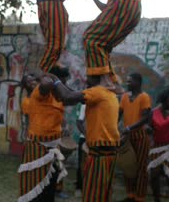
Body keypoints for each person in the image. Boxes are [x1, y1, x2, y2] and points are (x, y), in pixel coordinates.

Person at [45, 74, 120, 202]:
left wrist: (56, 81)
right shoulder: (108, 93)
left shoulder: (98, 91)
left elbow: (68, 96)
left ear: (95, 77)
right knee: (101, 193)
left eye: (89, 75)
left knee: (94, 194)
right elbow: (70, 98)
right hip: (105, 152)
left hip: (100, 154)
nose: (86, 78)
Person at [82, 0, 142, 92]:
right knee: (103, 45)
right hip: (131, 9)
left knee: (90, 38)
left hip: (124, 2)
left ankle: (105, 81)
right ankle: (114, 83)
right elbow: (106, 9)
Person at [18, 72, 67, 202]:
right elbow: (30, 120)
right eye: (28, 82)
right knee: (37, 182)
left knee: (53, 176)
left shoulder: (51, 96)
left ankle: (57, 191)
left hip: (53, 144)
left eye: (33, 79)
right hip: (38, 144)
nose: (32, 82)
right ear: (25, 87)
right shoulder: (30, 99)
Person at [119, 73, 152, 202]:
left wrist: (129, 128)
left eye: (129, 81)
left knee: (141, 167)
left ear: (138, 82)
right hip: (127, 137)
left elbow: (145, 117)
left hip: (140, 136)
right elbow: (119, 114)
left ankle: (140, 197)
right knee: (128, 165)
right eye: (127, 81)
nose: (127, 84)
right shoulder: (124, 97)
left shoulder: (144, 97)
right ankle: (130, 195)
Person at [75, 103, 86, 197]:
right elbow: (79, 122)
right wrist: (87, 134)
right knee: (81, 164)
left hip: (96, 139)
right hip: (85, 138)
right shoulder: (84, 106)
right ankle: (79, 187)